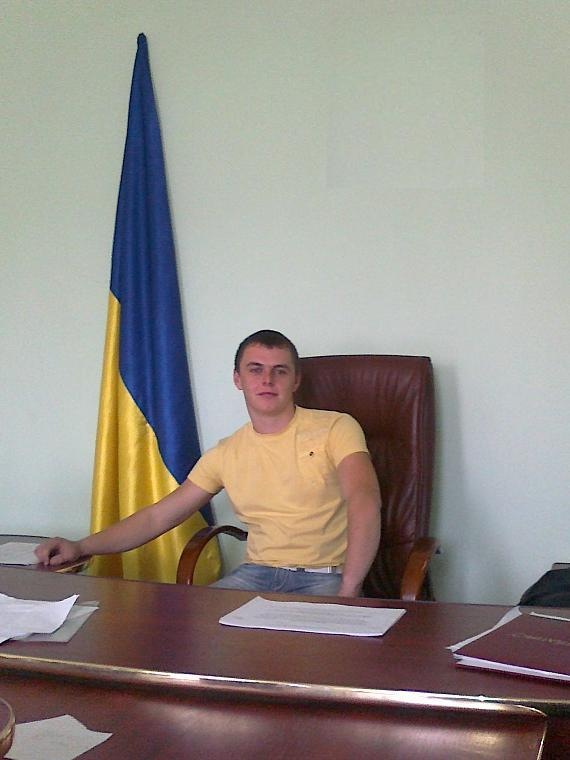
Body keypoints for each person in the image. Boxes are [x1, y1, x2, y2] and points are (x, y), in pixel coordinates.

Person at [36, 330, 381, 597]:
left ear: (296, 380)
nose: (267, 380)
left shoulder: (335, 427)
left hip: (325, 577)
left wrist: (349, 589)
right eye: (255, 370)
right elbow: (158, 517)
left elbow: (364, 500)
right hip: (256, 575)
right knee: (190, 633)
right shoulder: (226, 452)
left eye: (280, 371)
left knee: (317, 655)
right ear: (238, 379)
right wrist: (81, 546)